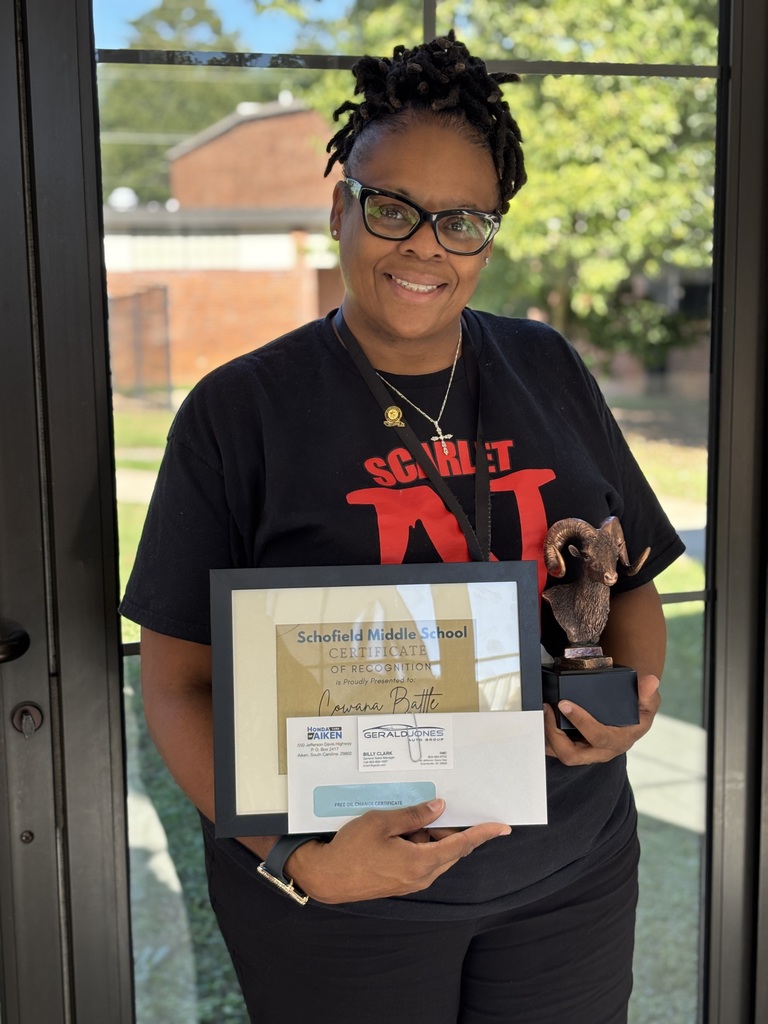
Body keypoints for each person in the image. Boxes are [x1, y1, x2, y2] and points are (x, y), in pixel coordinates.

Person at [121, 32, 684, 1024]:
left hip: (571, 881)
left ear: (491, 233)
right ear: (341, 204)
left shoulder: (547, 366)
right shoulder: (239, 411)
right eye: (394, 208)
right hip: (347, 904)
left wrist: (628, 715)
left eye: (464, 220)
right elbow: (176, 683)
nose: (426, 244)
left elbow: (631, 581)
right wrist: (300, 859)